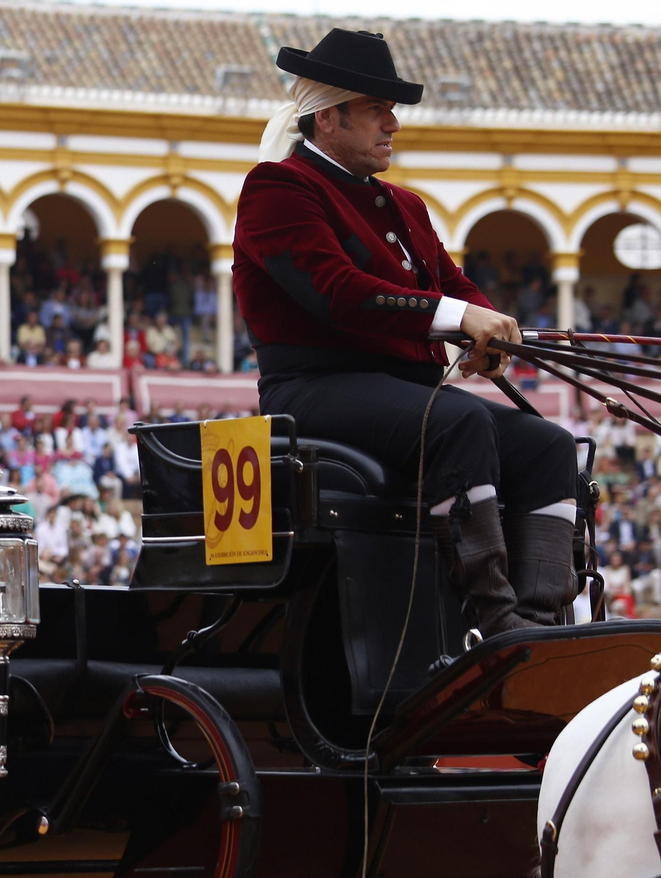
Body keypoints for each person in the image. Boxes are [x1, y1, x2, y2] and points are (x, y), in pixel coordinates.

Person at [233, 28, 579, 637]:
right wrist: (455, 318)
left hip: (406, 388)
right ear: (328, 117)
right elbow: (336, 290)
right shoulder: (278, 188)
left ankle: (541, 618)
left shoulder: (406, 205)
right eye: (376, 111)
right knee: (462, 420)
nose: (391, 123)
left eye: (391, 111)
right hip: (316, 386)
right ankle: (494, 624)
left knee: (549, 445)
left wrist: (487, 326)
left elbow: (454, 282)